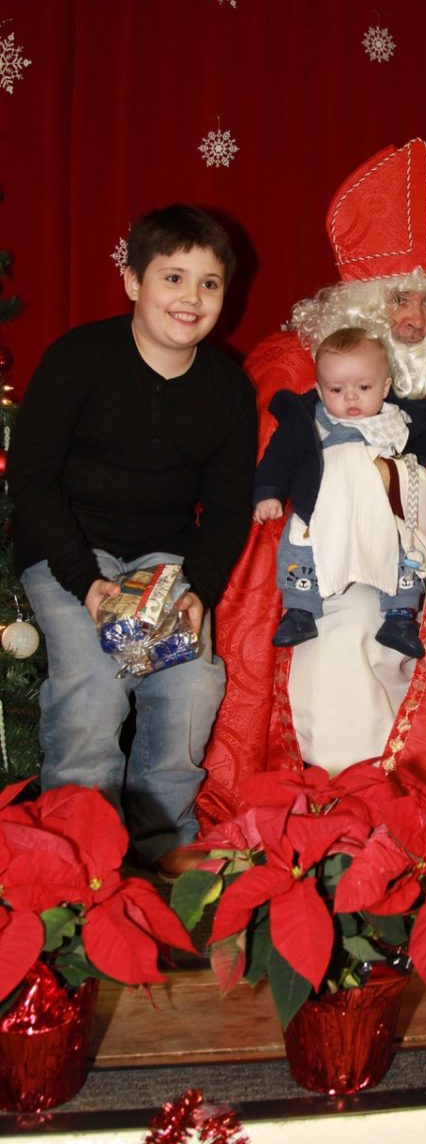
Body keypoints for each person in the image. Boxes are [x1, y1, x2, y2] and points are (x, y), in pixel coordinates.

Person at [197, 140, 426, 857]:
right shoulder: (293, 366)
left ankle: (393, 819)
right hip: (328, 578)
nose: (414, 317)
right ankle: (342, 817)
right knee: (339, 671)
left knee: (393, 671)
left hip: (414, 585)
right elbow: (264, 466)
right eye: (398, 297)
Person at [8, 204, 258, 876]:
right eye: (173, 277)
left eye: (209, 283)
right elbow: (31, 481)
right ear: (132, 281)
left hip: (163, 558)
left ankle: (165, 843)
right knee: (94, 683)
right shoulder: (77, 359)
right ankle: (77, 853)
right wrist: (85, 582)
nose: (191, 297)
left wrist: (199, 591)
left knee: (192, 683)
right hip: (69, 548)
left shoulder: (229, 390)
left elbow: (227, 508)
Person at [254, 328, 426, 659]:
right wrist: (269, 493)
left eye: (364, 388)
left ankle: (400, 616)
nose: (351, 398)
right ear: (319, 390)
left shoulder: (396, 423)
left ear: (385, 387)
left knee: (406, 551)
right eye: (337, 390)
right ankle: (299, 611)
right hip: (323, 510)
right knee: (299, 545)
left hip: (381, 512)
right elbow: (279, 458)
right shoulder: (309, 423)